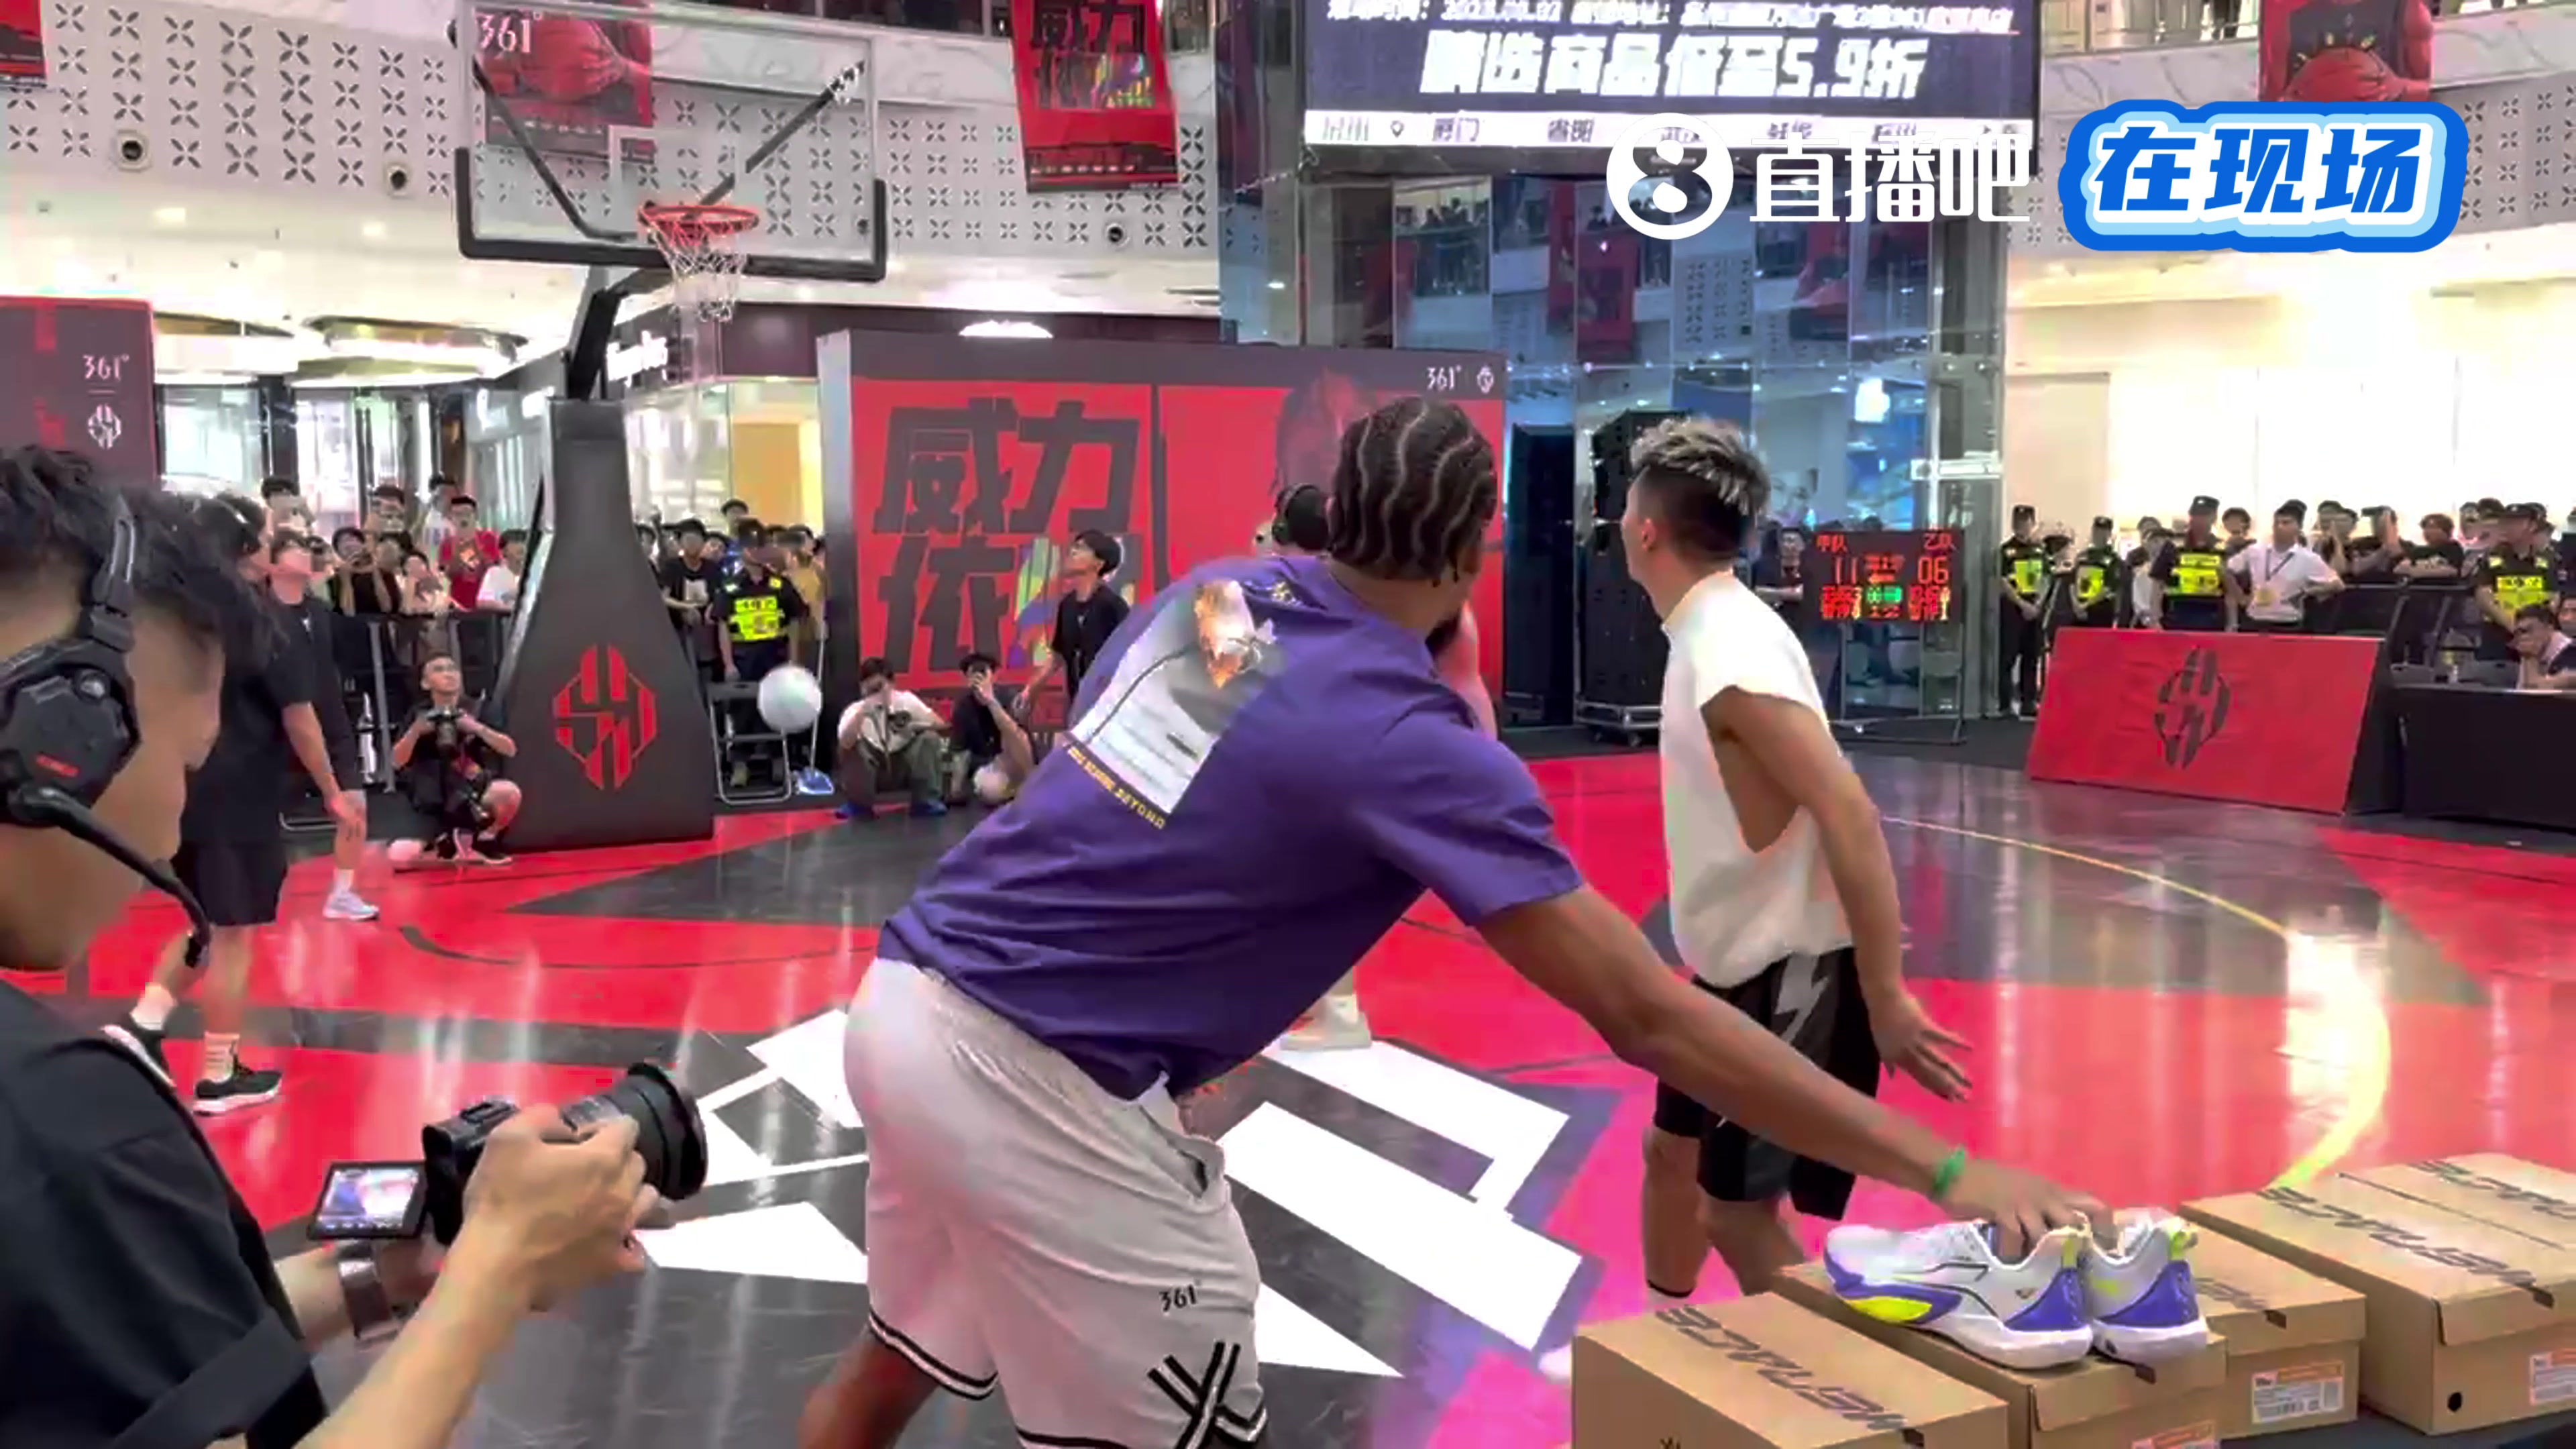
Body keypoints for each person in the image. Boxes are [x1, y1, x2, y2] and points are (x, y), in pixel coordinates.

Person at [800, 398, 2101, 1449]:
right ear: (1478, 549)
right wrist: (1947, 1171)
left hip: (908, 1001)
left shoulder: (1228, 601)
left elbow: (1150, 812)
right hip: (1037, 1080)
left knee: (895, 1364)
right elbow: (1647, 1015)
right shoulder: (1409, 742)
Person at [0, 449, 657, 1449]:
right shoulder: (60, 1129)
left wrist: (380, 1275)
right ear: (61, 731)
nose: (171, 834)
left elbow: (120, 1356)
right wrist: (500, 1270)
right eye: (186, 764)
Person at [1524, 417, 1978, 1384]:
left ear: (1646, 528)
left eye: (1624, 505)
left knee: (1736, 1212)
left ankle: (1860, 1398)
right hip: (1728, 967)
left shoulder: (1731, 651)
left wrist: (1886, 994)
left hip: (1791, 973)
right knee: (1669, 1157)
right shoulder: (1705, 630)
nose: (1617, 520)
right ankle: (1663, 1345)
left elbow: (1849, 814)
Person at [125, 496, 356, 1115]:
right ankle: (218, 1073)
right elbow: (300, 718)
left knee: (203, 919)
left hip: (185, 788)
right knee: (234, 935)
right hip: (239, 794)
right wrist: (333, 790)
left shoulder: (176, 616)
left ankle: (142, 1025)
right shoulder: (259, 622)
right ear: (250, 549)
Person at [266, 532, 378, 922]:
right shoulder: (260, 611)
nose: (305, 555)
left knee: (355, 804)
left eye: (307, 549)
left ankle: (343, 893)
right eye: (294, 549)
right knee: (261, 814)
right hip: (277, 722)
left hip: (330, 716)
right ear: (274, 562)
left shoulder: (320, 610)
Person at [388, 653, 521, 867]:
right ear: (425, 683)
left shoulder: (479, 708)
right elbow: (396, 761)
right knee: (399, 857)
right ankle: (445, 849)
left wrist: (476, 728)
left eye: (452, 669)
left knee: (508, 793)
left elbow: (510, 749)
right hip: (432, 799)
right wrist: (415, 732)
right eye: (439, 670)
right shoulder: (418, 714)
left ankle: (483, 841)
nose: (448, 674)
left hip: (470, 792)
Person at [1015, 528, 1129, 723]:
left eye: (1081, 548)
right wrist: (1030, 690)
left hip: (1108, 707)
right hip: (1077, 704)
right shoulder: (1067, 606)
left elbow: (1129, 655)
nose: (1073, 552)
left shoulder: (1113, 606)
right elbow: (1057, 655)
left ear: (1099, 564)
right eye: (1074, 547)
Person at [836, 657, 947, 818]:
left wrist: (915, 727)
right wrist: (862, 716)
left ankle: (926, 800)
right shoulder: (854, 710)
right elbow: (844, 746)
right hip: (872, 771)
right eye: (871, 690)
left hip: (903, 765)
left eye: (879, 688)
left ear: (891, 684)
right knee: (853, 747)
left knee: (929, 738)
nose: (876, 695)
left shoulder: (907, 701)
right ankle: (859, 804)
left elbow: (941, 726)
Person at [2229, 505, 2343, 633]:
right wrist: (2240, 597)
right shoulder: (2255, 551)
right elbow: (2227, 570)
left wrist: (2307, 592)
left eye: (2286, 523)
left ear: (2299, 527)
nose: (2279, 527)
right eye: (2276, 523)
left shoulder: (2308, 558)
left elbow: (2337, 585)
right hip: (2254, 619)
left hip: (2288, 621)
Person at [945, 652, 1036, 806]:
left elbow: (1019, 739)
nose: (978, 677)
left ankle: (1027, 786)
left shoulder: (1009, 697)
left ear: (993, 676)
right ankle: (1016, 792)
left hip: (1017, 761)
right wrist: (956, 790)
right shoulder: (963, 707)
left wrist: (991, 702)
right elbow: (960, 751)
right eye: (973, 673)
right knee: (990, 790)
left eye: (983, 672)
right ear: (967, 678)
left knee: (1013, 737)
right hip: (989, 765)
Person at [1996, 504, 2047, 717]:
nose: (2021, 527)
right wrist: (2021, 604)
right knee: (2008, 657)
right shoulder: (2006, 551)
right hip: (2013, 608)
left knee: (2031, 656)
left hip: (2035, 608)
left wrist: (2038, 605)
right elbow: (2003, 581)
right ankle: (2005, 704)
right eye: (2017, 523)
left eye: (2025, 523)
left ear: (2032, 524)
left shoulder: (2040, 551)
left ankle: (2029, 701)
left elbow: (2046, 579)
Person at [2510, 602, 2576, 689]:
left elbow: (2535, 690)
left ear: (2549, 628)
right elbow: (2522, 691)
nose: (2524, 637)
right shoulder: (2530, 652)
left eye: (2530, 630)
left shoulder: (2571, 652)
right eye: (2520, 632)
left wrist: (2530, 657)